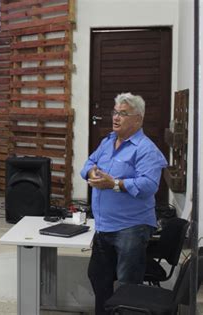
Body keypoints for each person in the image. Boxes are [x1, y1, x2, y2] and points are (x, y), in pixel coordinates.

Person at [80, 92, 167, 314]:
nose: (116, 118)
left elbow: (149, 185)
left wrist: (115, 184)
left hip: (131, 228)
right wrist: (91, 171)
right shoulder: (107, 142)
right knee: (98, 277)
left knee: (128, 287)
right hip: (104, 226)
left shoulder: (146, 149)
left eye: (123, 113)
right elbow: (88, 164)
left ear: (138, 119)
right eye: (115, 112)